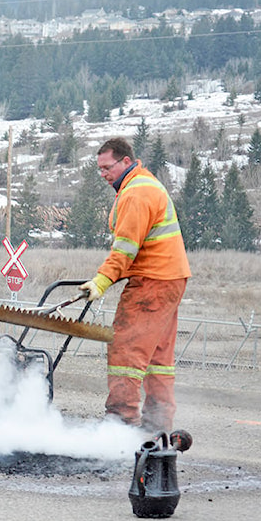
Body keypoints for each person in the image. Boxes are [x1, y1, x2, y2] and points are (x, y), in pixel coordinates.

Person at [78, 136, 190, 432]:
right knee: (157, 358)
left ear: (126, 161)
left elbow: (126, 249)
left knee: (125, 351)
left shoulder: (136, 194)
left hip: (152, 282)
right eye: (99, 169)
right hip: (170, 278)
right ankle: (157, 428)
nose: (103, 174)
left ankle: (121, 425)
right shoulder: (144, 185)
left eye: (107, 167)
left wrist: (101, 281)